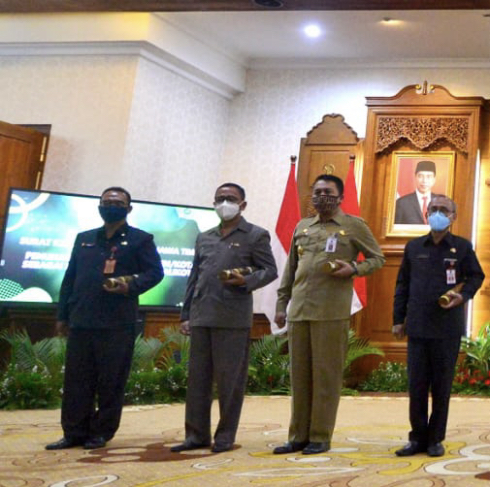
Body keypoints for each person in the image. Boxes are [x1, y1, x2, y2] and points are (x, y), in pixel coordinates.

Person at [45, 187, 164, 451]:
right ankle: (73, 432)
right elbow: (69, 279)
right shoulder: (84, 238)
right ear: (99, 206)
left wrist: (130, 284)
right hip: (82, 319)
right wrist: (63, 315)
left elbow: (155, 273)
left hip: (117, 323)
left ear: (128, 209)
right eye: (107, 202)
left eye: (118, 202)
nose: (111, 205)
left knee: (111, 381)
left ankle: (101, 432)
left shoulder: (140, 240)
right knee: (76, 380)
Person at [273, 174, 385, 455]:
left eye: (328, 192)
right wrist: (280, 303)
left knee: (326, 376)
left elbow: (377, 258)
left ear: (340, 197)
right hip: (299, 310)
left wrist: (355, 270)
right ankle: (298, 435)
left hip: (330, 312)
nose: (321, 197)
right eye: (317, 192)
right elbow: (291, 268)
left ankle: (320, 436)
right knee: (300, 377)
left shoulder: (353, 226)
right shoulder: (302, 226)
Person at [173, 183, 277, 454]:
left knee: (230, 382)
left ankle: (225, 437)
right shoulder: (205, 237)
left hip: (232, 318)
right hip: (201, 316)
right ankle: (195, 435)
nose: (224, 203)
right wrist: (186, 314)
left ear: (243, 204)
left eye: (230, 199)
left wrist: (247, 280)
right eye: (219, 199)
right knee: (198, 380)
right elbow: (194, 277)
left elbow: (270, 270)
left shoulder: (255, 235)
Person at [392, 195, 484, 457]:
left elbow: (477, 276)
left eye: (444, 210)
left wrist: (463, 296)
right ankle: (416, 438)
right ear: (426, 214)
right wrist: (398, 320)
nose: (438, 213)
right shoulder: (413, 247)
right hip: (418, 326)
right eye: (434, 209)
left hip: (447, 328)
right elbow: (402, 284)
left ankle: (435, 439)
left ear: (453, 217)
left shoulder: (463, 248)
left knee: (441, 386)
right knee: (417, 386)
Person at [394, 160, 442, 226]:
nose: (424, 181)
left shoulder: (442, 202)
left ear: (434, 179)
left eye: (428, 176)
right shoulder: (402, 203)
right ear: (415, 177)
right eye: (420, 176)